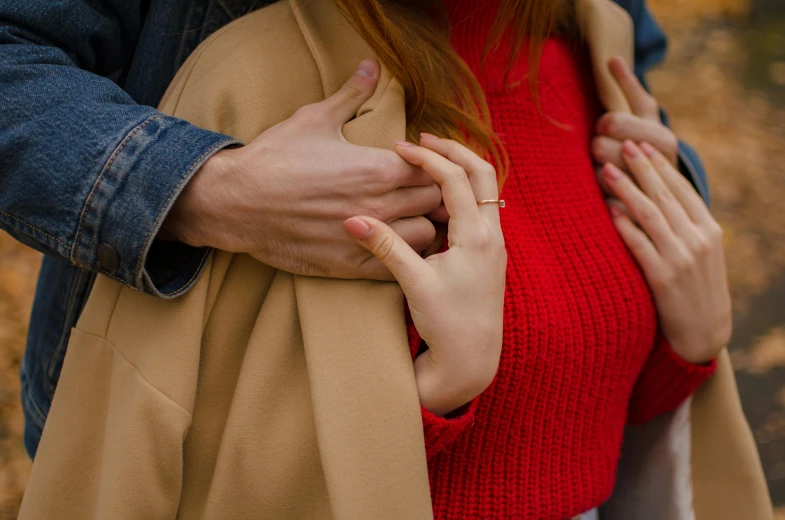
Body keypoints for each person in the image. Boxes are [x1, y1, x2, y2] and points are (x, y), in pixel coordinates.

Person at [14, 0, 738, 518]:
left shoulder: (593, 34)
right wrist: (210, 189)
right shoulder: (249, 67)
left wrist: (689, 343)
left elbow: (589, 412)